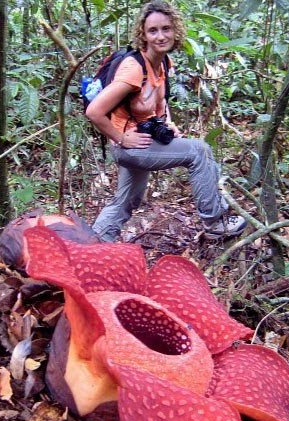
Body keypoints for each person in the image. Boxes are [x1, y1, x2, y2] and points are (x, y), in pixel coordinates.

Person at [86, 0, 247, 243]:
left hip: (140, 139)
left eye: (166, 29)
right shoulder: (133, 68)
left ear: (175, 30)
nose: (160, 36)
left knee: (126, 200)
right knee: (199, 151)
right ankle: (215, 222)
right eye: (153, 31)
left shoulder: (163, 62)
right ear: (144, 35)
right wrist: (121, 138)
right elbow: (94, 111)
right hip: (129, 144)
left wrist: (166, 122)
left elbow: (160, 97)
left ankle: (93, 247)